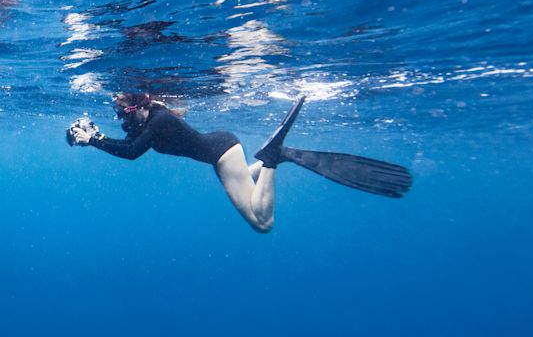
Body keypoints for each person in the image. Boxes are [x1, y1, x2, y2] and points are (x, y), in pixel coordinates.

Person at [67, 93, 412, 234]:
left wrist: (94, 141)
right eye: (118, 114)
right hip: (220, 152)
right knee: (245, 180)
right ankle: (276, 160)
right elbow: (127, 144)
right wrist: (96, 137)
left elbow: (130, 154)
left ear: (142, 105)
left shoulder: (158, 120)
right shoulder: (150, 120)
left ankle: (274, 159)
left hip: (220, 153)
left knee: (263, 223)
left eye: (125, 112)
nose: (123, 119)